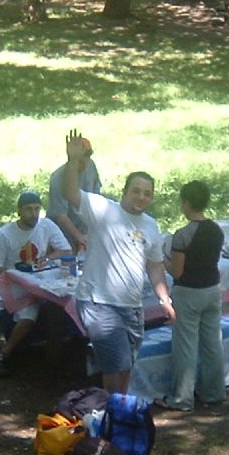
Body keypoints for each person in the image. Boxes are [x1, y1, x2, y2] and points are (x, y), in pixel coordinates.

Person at [62, 129, 174, 394]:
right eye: (136, 191)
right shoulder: (103, 209)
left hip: (132, 308)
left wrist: (165, 299)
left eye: (147, 193)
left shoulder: (150, 225)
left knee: (125, 367)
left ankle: (114, 414)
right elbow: (70, 193)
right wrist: (72, 162)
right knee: (116, 366)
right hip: (99, 303)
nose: (141, 197)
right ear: (124, 192)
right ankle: (112, 418)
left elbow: (155, 265)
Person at [0, 191, 71, 377]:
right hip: (2, 282)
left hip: (32, 283)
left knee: (27, 319)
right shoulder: (4, 234)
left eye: (36, 209)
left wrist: (40, 264)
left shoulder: (46, 226)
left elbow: (65, 250)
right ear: (19, 211)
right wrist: (15, 277)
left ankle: (4, 355)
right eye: (28, 210)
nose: (33, 214)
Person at [163, 180, 225, 411]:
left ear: (186, 203)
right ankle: (214, 391)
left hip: (188, 292)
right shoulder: (216, 230)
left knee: (186, 346)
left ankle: (181, 398)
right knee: (212, 342)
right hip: (212, 289)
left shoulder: (182, 235)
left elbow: (177, 271)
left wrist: (163, 257)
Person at [47, 137, 101, 252]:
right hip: (62, 231)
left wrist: (90, 232)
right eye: (81, 158)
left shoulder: (91, 166)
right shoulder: (58, 178)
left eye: (88, 156)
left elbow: (97, 198)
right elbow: (61, 216)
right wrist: (80, 237)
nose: (86, 161)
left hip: (85, 226)